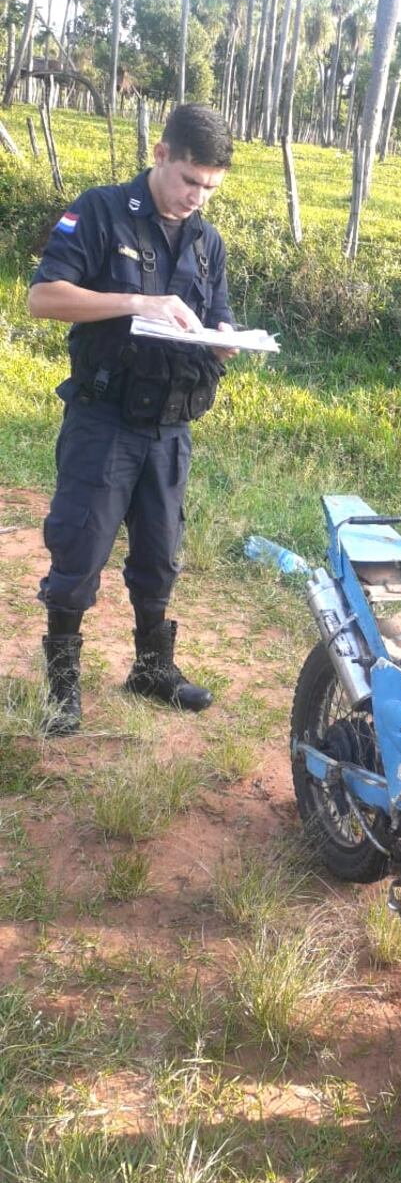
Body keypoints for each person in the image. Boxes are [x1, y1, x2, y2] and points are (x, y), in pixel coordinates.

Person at [28, 102, 239, 736]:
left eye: (209, 188)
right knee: (80, 548)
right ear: (162, 155)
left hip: (171, 426)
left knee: (160, 554)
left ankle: (152, 669)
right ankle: (62, 686)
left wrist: (225, 338)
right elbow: (44, 297)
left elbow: (218, 317)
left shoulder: (207, 242)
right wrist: (137, 300)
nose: (196, 197)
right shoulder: (99, 211)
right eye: (188, 181)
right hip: (106, 420)